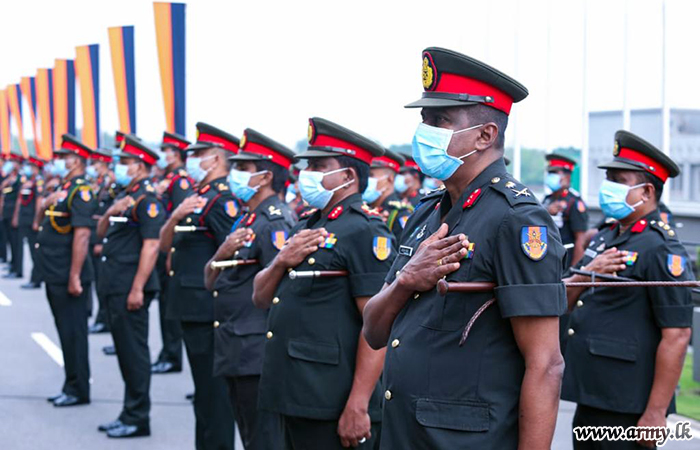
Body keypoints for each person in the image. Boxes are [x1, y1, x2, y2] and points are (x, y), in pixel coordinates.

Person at [362, 47, 566, 449]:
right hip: (405, 433)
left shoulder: (516, 219)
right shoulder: (426, 213)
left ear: (485, 135)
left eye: (440, 119)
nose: (425, 130)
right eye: (424, 119)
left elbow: (545, 365)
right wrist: (406, 281)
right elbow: (373, 330)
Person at [253, 117, 394, 449]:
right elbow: (260, 297)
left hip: (331, 398)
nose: (307, 174)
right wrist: (280, 261)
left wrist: (358, 404)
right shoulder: (305, 224)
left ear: (347, 176)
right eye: (308, 165)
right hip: (294, 391)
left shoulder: (365, 231)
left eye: (318, 165)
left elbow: (377, 327)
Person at [562, 130, 694, 450]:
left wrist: (656, 413)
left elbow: (676, 335)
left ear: (646, 191)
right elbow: (562, 300)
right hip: (592, 392)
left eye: (618, 180)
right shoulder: (605, 237)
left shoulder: (661, 249)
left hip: (629, 405)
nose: (607, 188)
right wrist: (587, 275)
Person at [204, 128, 296, 449]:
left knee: (263, 440)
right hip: (236, 348)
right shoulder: (246, 220)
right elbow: (211, 277)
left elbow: (282, 295)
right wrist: (222, 253)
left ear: (265, 177)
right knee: (250, 436)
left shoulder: (274, 223)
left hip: (257, 353)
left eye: (243, 169)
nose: (234, 174)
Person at [159, 122, 240, 450]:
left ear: (217, 158)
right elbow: (166, 246)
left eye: (199, 154)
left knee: (214, 399)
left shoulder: (222, 201)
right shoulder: (196, 197)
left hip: (209, 310)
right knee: (203, 397)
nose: (191, 159)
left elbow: (230, 263)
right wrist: (176, 214)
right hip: (191, 307)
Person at [94, 135, 164, 438]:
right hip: (115, 284)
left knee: (134, 354)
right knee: (125, 353)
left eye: (124, 162)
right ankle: (128, 412)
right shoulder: (125, 195)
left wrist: (137, 288)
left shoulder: (146, 199)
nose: (118, 167)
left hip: (129, 288)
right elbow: (101, 231)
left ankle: (138, 418)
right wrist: (111, 211)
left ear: (139, 166)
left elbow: (151, 245)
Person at [37, 134, 97, 407]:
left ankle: (78, 389)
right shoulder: (62, 189)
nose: (58, 162)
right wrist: (46, 201)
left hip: (67, 274)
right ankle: (70, 384)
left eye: (63, 158)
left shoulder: (80, 191)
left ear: (76, 161)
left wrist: (74, 275)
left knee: (74, 334)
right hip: (54, 271)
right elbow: (39, 223)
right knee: (65, 331)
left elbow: (82, 236)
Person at [152, 131, 191, 375]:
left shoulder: (180, 181)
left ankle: (172, 355)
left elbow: (179, 218)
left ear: (176, 154)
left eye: (167, 151)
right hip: (163, 245)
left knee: (169, 306)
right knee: (164, 304)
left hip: (170, 250)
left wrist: (170, 254)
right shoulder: (168, 178)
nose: (163, 155)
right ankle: (167, 352)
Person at [87, 147, 116, 334]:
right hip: (95, 236)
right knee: (97, 282)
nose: (94, 167)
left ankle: (104, 319)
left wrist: (100, 241)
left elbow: (109, 215)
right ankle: (101, 317)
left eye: (96, 163)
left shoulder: (112, 185)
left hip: (102, 239)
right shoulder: (99, 182)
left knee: (103, 284)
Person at [543, 153, 589, 267]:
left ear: (567, 176)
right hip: (547, 256)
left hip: (565, 260)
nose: (550, 176)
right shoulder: (547, 199)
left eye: (555, 173)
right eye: (549, 173)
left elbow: (580, 239)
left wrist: (573, 271)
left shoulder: (574, 202)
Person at [362, 148, 413, 241]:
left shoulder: (399, 214)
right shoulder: (365, 208)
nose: (367, 179)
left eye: (371, 175)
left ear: (390, 178)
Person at [17, 156, 45, 289]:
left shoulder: (39, 182)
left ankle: (37, 278)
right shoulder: (29, 181)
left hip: (31, 220)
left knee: (35, 252)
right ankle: (35, 277)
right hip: (26, 218)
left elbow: (39, 202)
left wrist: (36, 221)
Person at [2, 151, 22, 279]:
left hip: (15, 214)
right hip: (7, 213)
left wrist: (16, 216)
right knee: (11, 241)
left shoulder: (21, 179)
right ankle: (13, 265)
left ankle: (18, 269)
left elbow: (19, 199)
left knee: (16, 243)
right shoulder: (10, 178)